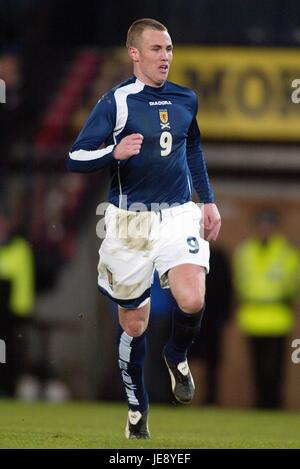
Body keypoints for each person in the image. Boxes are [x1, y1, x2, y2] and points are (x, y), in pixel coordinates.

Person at [67, 18, 221, 439]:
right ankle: (137, 411)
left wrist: (207, 201)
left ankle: (176, 355)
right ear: (135, 53)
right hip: (129, 221)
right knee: (134, 324)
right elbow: (75, 156)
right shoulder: (116, 102)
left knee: (192, 298)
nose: (165, 56)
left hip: (176, 213)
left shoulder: (186, 98)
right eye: (156, 49)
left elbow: (192, 146)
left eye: (169, 48)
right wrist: (112, 152)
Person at [233, 209, 300, 408]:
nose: (264, 229)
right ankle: (260, 403)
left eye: (269, 225)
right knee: (256, 365)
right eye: (261, 225)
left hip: (278, 316)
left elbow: (293, 283)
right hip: (252, 315)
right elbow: (240, 282)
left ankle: (274, 403)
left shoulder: (287, 252)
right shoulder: (245, 251)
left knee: (276, 366)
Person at [0, 204, 35, 397]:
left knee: (8, 351)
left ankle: (8, 388)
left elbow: (24, 280)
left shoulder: (19, 247)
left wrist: (22, 311)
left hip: (10, 312)